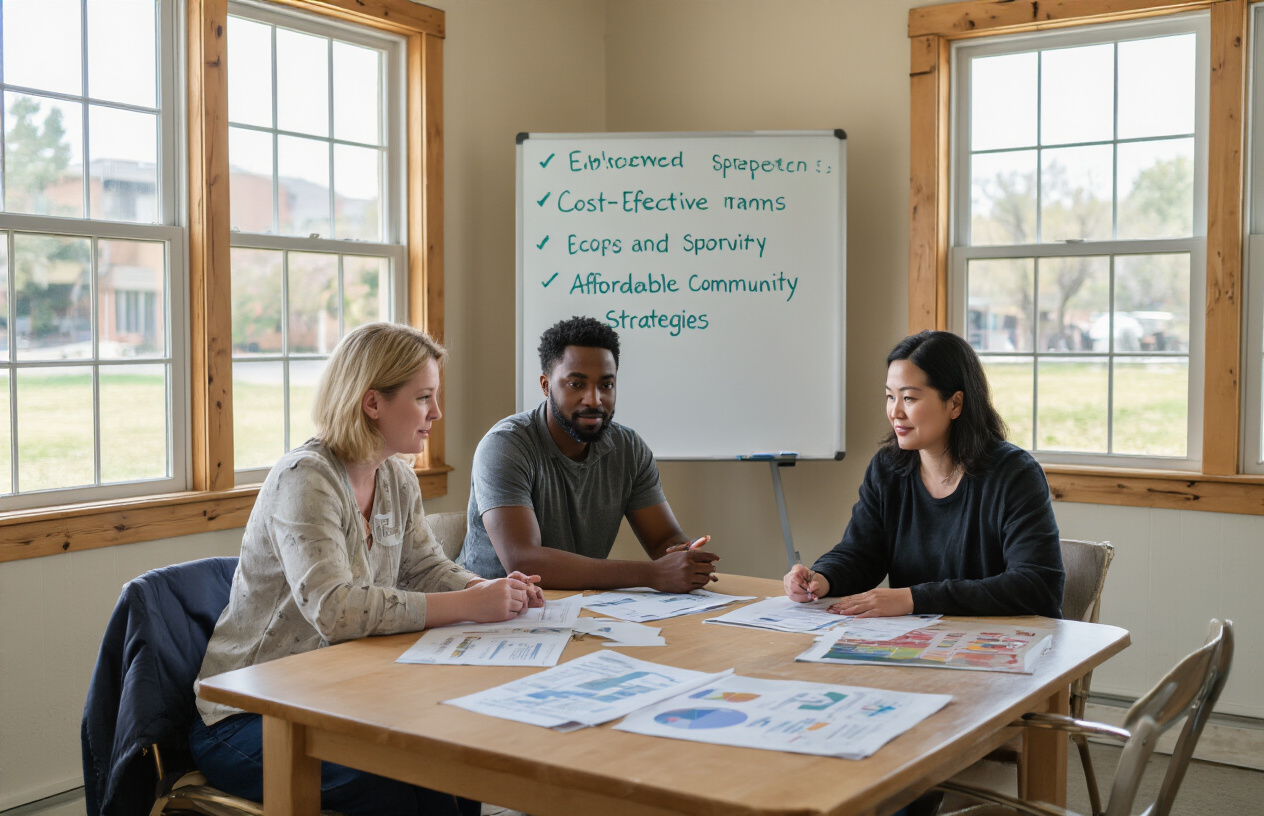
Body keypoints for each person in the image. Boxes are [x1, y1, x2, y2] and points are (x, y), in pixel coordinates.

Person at [190, 323, 543, 816]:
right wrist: (468, 604)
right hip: (251, 714)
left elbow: (423, 567)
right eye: (423, 398)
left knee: (451, 772)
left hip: (336, 695)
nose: (436, 413)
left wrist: (487, 586)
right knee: (403, 790)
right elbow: (335, 611)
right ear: (372, 402)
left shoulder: (395, 475)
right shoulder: (305, 479)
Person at [784, 330, 1064, 619]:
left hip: (1002, 645)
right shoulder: (887, 468)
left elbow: (1037, 586)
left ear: (955, 404)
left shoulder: (1015, 474)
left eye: (909, 398)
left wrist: (914, 598)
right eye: (890, 397)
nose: (895, 412)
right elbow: (861, 553)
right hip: (918, 642)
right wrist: (821, 578)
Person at [459, 315, 719, 591]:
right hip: (490, 613)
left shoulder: (628, 448)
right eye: (576, 384)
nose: (594, 399)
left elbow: (663, 542)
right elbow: (525, 562)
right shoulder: (506, 446)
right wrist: (653, 574)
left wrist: (684, 557)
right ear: (546, 385)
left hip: (582, 606)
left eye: (606, 385)